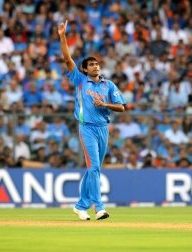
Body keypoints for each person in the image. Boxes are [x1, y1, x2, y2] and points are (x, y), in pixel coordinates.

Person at [59, 20, 128, 220]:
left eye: (97, 64)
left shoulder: (109, 85)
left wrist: (105, 105)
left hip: (103, 128)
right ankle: (99, 207)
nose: (95, 66)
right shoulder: (80, 81)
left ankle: (81, 206)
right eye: (91, 64)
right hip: (87, 128)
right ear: (85, 70)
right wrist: (63, 36)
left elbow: (122, 107)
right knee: (94, 168)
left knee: (93, 170)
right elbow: (66, 58)